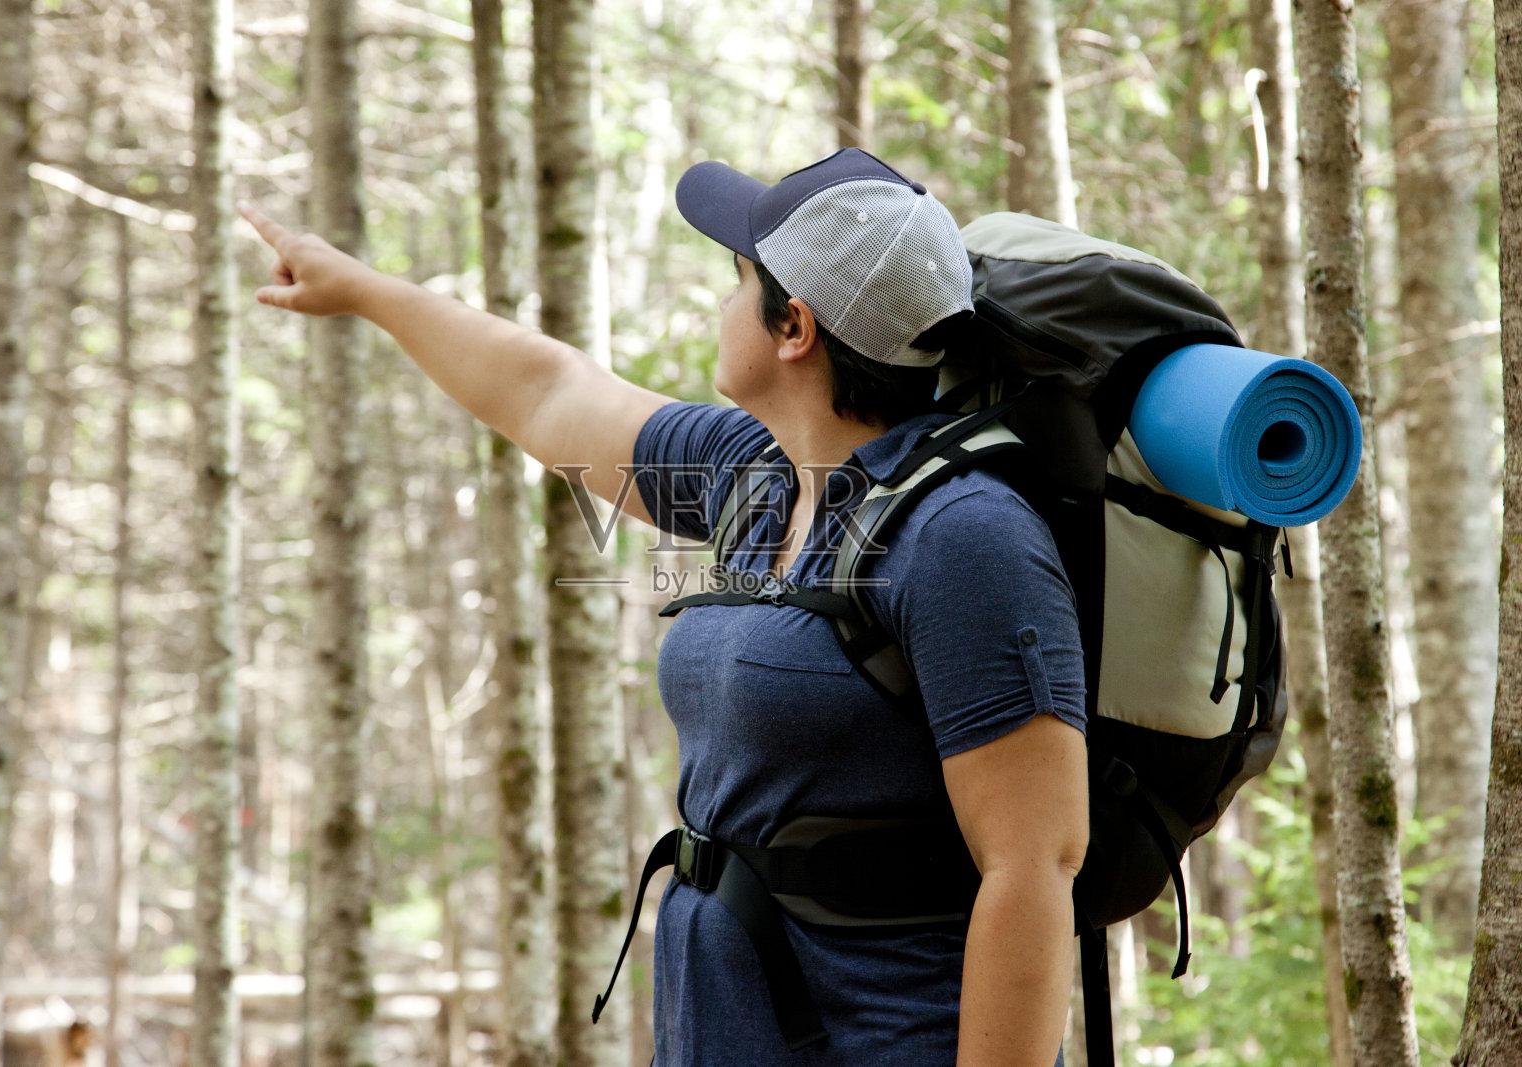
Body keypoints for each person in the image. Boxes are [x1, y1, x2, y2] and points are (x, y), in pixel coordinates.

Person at [240, 147, 1088, 1067]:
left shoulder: (966, 534)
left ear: (793, 326)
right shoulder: (756, 476)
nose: (723, 305)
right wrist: (362, 288)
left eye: (738, 282)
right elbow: (551, 390)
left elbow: (1035, 865)